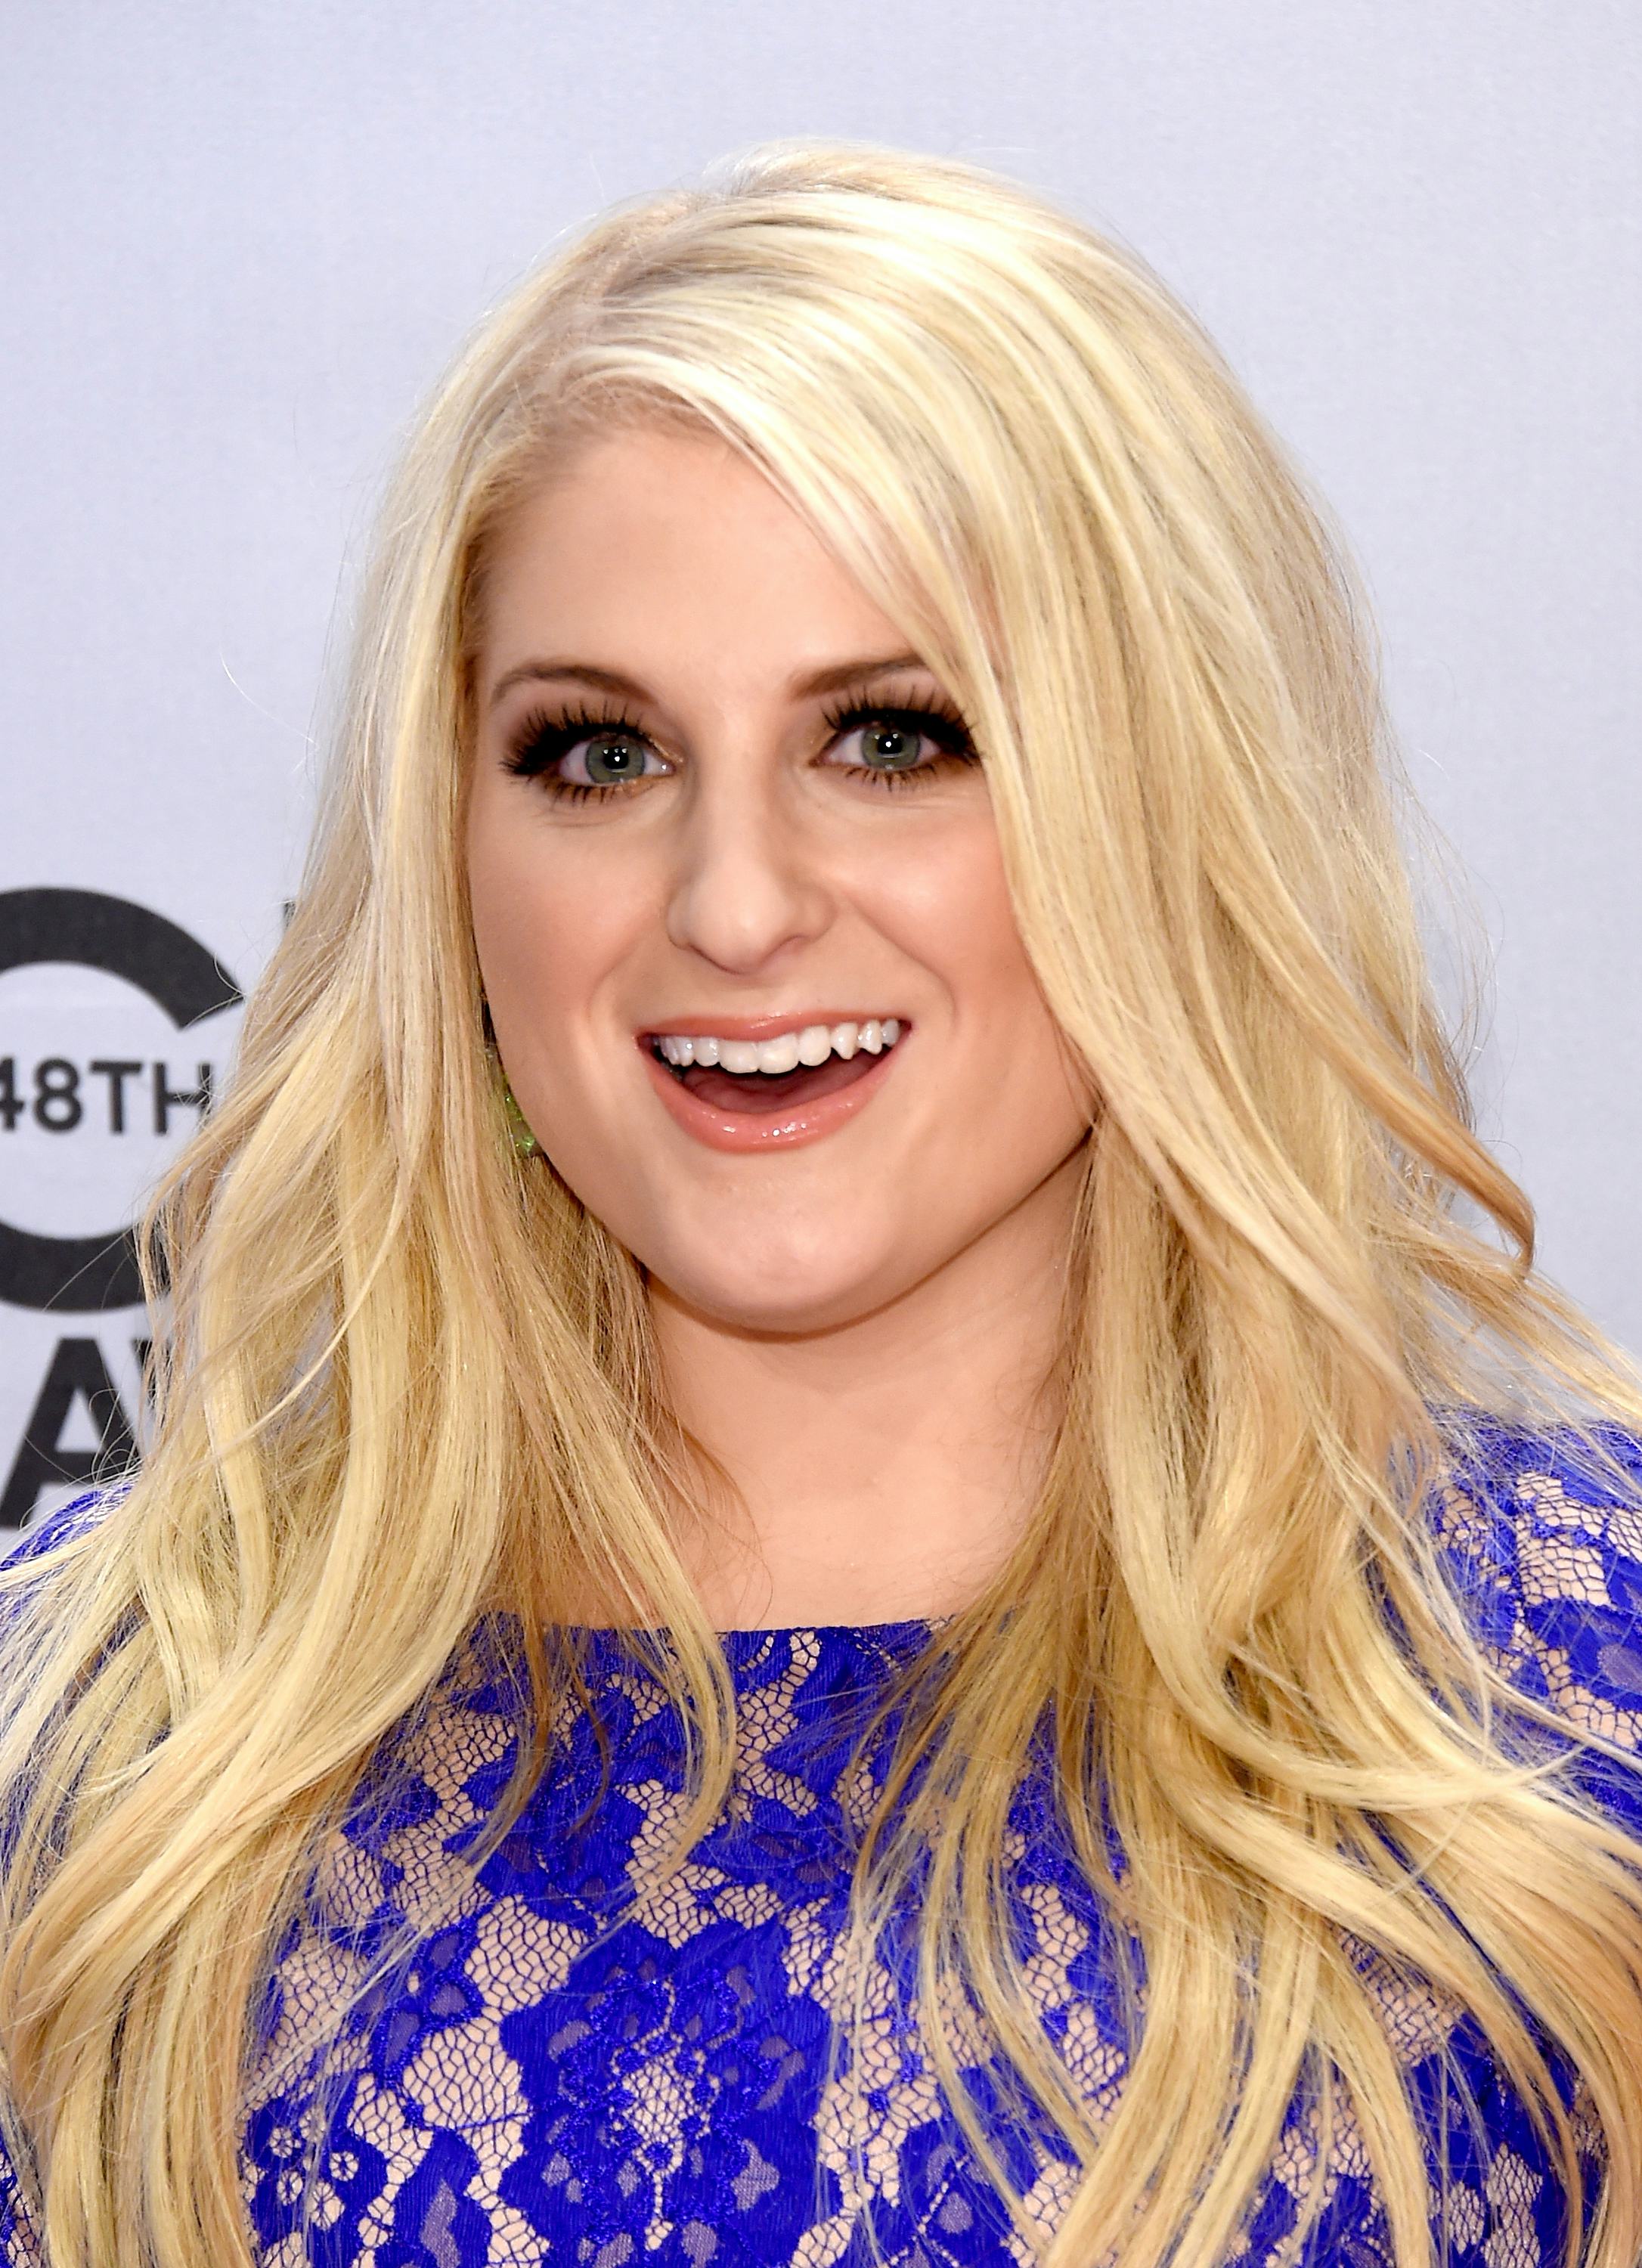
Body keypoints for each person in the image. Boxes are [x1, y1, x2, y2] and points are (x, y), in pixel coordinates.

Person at [1, 142, 1639, 2268]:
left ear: (1163, 800)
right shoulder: (86, 1737)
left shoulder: (1566, 1701)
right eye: (601, 756)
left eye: (892, 737)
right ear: (453, 851)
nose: (737, 904)